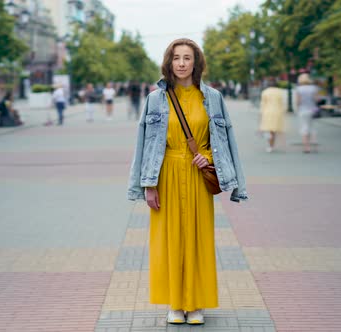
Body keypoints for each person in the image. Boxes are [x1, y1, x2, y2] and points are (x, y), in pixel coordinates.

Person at [127, 38, 248, 325]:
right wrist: (147, 185)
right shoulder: (155, 99)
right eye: (176, 58)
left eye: (187, 58)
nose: (181, 63)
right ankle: (175, 303)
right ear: (169, 63)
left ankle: (195, 304)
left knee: (198, 239)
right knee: (168, 241)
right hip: (165, 173)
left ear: (197, 63)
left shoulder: (213, 98)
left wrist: (208, 157)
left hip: (197, 175)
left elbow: (225, 140)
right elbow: (143, 143)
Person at [259, 82, 288, 152]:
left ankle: (270, 145)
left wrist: (261, 114)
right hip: (277, 112)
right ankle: (271, 145)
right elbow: (282, 103)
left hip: (267, 112)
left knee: (269, 129)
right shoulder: (279, 92)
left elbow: (263, 104)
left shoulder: (265, 92)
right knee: (273, 130)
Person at [295, 73, 319, 153]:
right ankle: (315, 146)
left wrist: (297, 109)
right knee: (312, 127)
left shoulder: (299, 89)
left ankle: (306, 147)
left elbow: (298, 101)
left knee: (304, 128)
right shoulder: (313, 88)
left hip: (303, 110)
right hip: (312, 110)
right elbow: (316, 100)